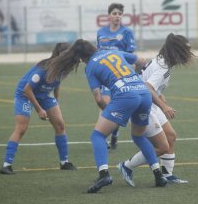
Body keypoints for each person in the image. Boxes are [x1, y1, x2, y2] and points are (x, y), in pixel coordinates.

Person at [45, 39, 167, 193]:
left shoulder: (90, 67)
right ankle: (158, 174)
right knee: (138, 136)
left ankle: (104, 175)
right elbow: (142, 61)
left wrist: (112, 113)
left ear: (80, 58)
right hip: (143, 93)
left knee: (97, 135)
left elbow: (98, 99)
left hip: (125, 96)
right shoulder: (113, 51)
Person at [117, 33, 195, 186]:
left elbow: (149, 83)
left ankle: (167, 174)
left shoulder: (163, 61)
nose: (188, 54)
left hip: (150, 101)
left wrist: (160, 96)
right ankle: (126, 166)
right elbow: (148, 87)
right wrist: (164, 106)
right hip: (143, 103)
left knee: (171, 136)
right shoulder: (162, 66)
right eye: (185, 50)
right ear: (176, 51)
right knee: (162, 147)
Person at [0, 43, 77, 175]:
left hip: (43, 94)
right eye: (68, 54)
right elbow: (27, 89)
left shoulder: (64, 68)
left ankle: (64, 162)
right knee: (21, 128)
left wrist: (56, 100)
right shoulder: (44, 69)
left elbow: (57, 83)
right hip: (25, 95)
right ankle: (6, 165)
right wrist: (40, 110)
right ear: (60, 55)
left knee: (60, 125)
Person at [96, 3, 137, 149]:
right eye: (114, 13)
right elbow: (98, 53)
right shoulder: (101, 32)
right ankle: (103, 135)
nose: (117, 16)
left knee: (117, 107)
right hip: (105, 76)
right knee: (105, 104)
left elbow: (131, 56)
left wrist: (129, 74)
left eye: (119, 13)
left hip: (120, 76)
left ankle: (114, 134)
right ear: (109, 16)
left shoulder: (127, 33)